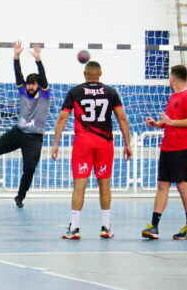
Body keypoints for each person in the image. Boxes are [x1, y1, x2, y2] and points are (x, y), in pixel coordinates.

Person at [51, 60, 132, 239]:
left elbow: (63, 117)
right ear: (100, 73)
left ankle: (74, 228)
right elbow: (122, 118)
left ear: (85, 74)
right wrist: (128, 144)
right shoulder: (111, 92)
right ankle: (106, 227)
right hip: (105, 144)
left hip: (83, 144)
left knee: (80, 185)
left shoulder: (75, 92)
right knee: (104, 184)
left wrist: (55, 143)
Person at [0, 42, 51, 207]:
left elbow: (43, 79)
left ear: (38, 85)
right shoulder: (23, 91)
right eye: (28, 84)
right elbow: (18, 75)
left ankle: (20, 197)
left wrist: (38, 59)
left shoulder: (44, 94)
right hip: (18, 133)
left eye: (33, 84)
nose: (30, 86)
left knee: (29, 169)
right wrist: (16, 57)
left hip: (34, 138)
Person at [142, 64, 187, 240]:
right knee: (162, 185)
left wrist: (172, 123)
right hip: (168, 147)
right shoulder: (173, 96)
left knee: (182, 186)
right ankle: (154, 226)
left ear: (173, 78)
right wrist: (158, 124)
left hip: (183, 148)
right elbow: (172, 120)